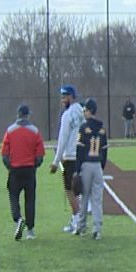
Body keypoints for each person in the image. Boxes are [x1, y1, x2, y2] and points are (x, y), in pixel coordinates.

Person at [1, 103, 44, 240]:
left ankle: (18, 218)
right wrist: (34, 165)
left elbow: (4, 154)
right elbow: (40, 155)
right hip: (29, 169)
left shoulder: (10, 131)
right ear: (27, 115)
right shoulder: (35, 131)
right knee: (30, 199)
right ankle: (30, 230)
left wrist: (10, 166)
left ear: (17, 115)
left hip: (15, 169)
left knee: (13, 196)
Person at [73, 98, 108, 240]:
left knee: (84, 197)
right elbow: (105, 151)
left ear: (90, 111)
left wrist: (77, 169)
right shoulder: (102, 129)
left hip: (86, 164)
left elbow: (79, 151)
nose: (84, 112)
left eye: (86, 110)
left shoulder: (83, 128)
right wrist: (101, 166)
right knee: (97, 199)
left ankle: (81, 227)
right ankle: (97, 229)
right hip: (98, 165)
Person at [52, 84, 84, 233]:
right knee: (80, 189)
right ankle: (77, 219)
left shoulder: (67, 115)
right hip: (83, 155)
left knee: (69, 190)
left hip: (70, 156)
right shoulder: (83, 112)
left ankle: (77, 220)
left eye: (64, 97)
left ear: (71, 97)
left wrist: (56, 161)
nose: (62, 100)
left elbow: (62, 139)